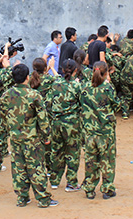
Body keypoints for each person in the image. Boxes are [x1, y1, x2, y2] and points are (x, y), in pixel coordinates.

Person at [1, 64, 58, 208]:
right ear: (27, 77)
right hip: (32, 138)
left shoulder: (6, 95)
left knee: (18, 168)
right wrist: (46, 135)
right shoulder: (34, 95)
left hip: (15, 138)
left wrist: (11, 129)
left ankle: (22, 197)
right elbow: (43, 119)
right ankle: (43, 198)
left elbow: (2, 115)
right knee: (36, 167)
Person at [81, 62, 120, 200]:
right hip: (105, 131)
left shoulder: (85, 87)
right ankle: (107, 189)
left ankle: (89, 189)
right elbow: (117, 105)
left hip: (90, 131)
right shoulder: (108, 88)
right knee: (107, 160)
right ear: (106, 73)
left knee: (90, 160)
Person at [46, 59, 82, 192]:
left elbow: (48, 102)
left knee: (56, 151)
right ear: (75, 70)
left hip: (56, 123)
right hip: (72, 124)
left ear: (62, 70)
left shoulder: (55, 84)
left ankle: (54, 180)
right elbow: (82, 103)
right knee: (73, 152)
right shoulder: (77, 86)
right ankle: (71, 182)